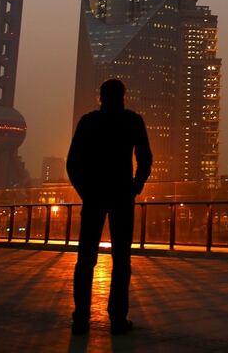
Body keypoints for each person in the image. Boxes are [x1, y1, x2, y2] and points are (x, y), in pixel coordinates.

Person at [66, 79, 152, 335]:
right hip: (122, 196)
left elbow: (72, 163)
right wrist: (136, 186)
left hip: (94, 196)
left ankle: (81, 318)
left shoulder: (88, 122)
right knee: (121, 260)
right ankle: (117, 319)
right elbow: (145, 158)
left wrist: (86, 192)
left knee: (85, 261)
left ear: (100, 97)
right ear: (124, 96)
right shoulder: (133, 121)